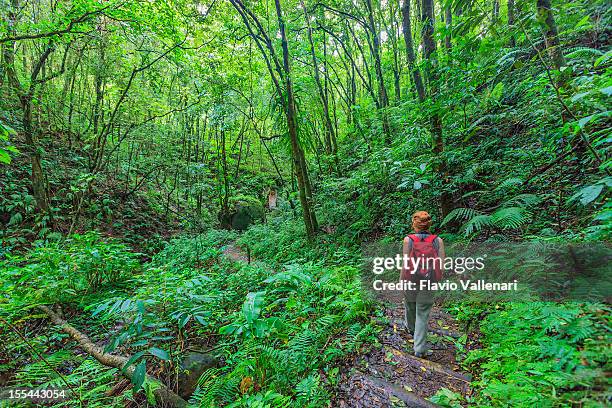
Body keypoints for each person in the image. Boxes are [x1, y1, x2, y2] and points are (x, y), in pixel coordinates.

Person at [400, 211, 445, 358]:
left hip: (411, 280)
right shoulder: (438, 241)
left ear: (414, 224)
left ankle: (411, 329)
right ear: (429, 224)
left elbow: (406, 264)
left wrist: (402, 281)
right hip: (429, 280)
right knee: (423, 313)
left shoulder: (408, 240)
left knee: (410, 304)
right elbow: (441, 265)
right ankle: (419, 349)